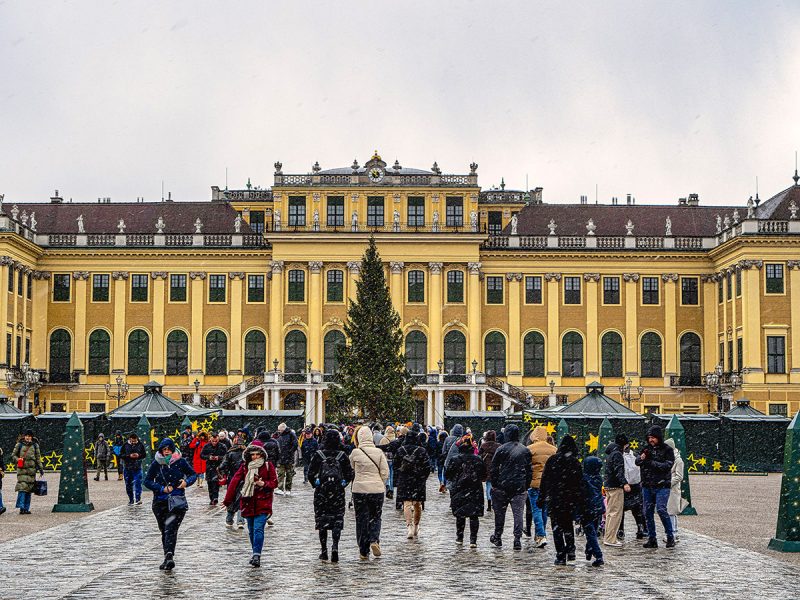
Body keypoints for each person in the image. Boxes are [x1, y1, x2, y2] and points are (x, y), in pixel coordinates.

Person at [143, 438, 197, 571]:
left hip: (176, 502)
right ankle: (167, 555)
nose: (166, 452)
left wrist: (186, 482)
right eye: (164, 449)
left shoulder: (180, 462)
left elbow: (193, 475)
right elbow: (147, 481)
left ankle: (169, 556)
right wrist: (161, 488)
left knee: (170, 528)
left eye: (168, 449)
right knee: (164, 529)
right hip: (160, 501)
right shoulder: (156, 463)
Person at [224, 442, 278, 567]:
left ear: (262, 454)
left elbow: (274, 483)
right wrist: (228, 500)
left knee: (258, 528)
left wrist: (263, 484)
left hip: (263, 501)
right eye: (252, 454)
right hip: (248, 501)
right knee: (251, 530)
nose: (254, 457)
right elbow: (234, 482)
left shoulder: (268, 465)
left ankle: (256, 555)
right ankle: (255, 551)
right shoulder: (245, 466)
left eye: (257, 454)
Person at [308, 430, 354, 562]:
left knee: (322, 521)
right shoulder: (342, 455)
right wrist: (341, 484)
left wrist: (317, 484)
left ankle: (324, 550)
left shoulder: (319, 455)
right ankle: (335, 546)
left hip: (322, 493)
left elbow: (311, 474)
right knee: (337, 521)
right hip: (337, 493)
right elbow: (349, 474)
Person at [538, 435, 583, 565]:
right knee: (568, 525)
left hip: (555, 498)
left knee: (557, 528)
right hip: (569, 499)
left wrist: (541, 497)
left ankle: (560, 554)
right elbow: (580, 483)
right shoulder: (575, 462)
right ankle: (570, 549)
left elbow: (545, 479)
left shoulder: (552, 460)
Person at [489, 424, 532, 550]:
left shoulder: (501, 449)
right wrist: (525, 484)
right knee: (518, 514)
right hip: (519, 486)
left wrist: (495, 483)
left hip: (502, 485)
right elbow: (529, 470)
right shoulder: (524, 450)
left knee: (499, 514)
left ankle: (498, 536)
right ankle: (517, 539)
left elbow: (494, 468)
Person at [349, 425, 389, 560]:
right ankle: (374, 540)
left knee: (361, 519)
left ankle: (363, 550)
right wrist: (379, 482)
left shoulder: (355, 452)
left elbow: (352, 468)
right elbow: (385, 472)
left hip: (359, 490)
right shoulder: (379, 453)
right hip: (376, 490)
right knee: (376, 516)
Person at [636, 425, 676, 549]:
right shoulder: (646, 449)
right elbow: (637, 462)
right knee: (647, 512)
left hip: (662, 485)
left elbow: (667, 465)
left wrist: (651, 463)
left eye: (653, 437)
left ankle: (670, 536)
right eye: (649, 438)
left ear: (658, 437)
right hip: (647, 485)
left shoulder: (667, 450)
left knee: (661, 509)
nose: (651, 440)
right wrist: (642, 458)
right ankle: (652, 538)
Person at [446, 433, 487, 547]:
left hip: (459, 488)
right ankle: (473, 540)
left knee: (460, 515)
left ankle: (460, 537)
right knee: (474, 516)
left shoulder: (455, 459)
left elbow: (448, 475)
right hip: (475, 489)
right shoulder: (478, 459)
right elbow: (484, 475)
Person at [394, 428, 431, 539]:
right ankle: (416, 525)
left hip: (405, 479)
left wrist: (400, 475)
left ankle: (409, 526)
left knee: (407, 503)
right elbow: (427, 467)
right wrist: (423, 477)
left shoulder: (401, 450)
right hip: (418, 479)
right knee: (418, 504)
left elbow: (395, 466)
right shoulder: (421, 450)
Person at [526, 425, 555, 548]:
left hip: (535, 483)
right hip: (549, 484)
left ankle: (541, 535)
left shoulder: (529, 449)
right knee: (544, 509)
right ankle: (540, 534)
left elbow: (527, 467)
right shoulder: (553, 449)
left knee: (536, 509)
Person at [603, 434, 630, 547]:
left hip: (609, 485)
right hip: (615, 486)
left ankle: (608, 536)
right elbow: (619, 470)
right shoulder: (618, 454)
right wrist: (624, 483)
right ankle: (611, 539)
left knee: (610, 513)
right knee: (615, 513)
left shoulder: (611, 454)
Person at [619, 440, 648, 540]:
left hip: (626, 485)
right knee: (637, 509)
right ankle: (640, 527)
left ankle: (621, 529)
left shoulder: (620, 456)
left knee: (621, 509)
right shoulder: (635, 455)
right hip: (634, 484)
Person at [11, 430, 43, 515]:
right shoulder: (19, 444)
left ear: (32, 437)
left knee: (29, 490)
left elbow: (38, 458)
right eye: (26, 436)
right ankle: (21, 508)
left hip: (31, 471)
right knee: (22, 489)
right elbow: (13, 456)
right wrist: (18, 460)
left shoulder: (35, 445)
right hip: (22, 470)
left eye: (29, 436)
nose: (27, 437)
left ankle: (26, 508)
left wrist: (41, 468)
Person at [581, 456, 605, 567]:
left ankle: (598, 555)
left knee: (590, 532)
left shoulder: (584, 478)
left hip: (587, 508)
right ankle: (589, 549)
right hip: (598, 507)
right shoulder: (598, 478)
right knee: (593, 530)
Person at [219, 437, 246, 528]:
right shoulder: (246, 454)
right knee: (241, 498)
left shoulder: (230, 453)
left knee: (231, 497)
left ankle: (229, 519)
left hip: (232, 479)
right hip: (243, 479)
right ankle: (240, 520)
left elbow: (223, 466)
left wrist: (223, 472)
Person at [664, 437, 685, 542]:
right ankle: (669, 532)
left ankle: (674, 532)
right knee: (667, 511)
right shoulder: (666, 458)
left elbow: (679, 476)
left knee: (672, 511)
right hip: (665, 488)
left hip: (672, 489)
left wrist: (668, 482)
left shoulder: (678, 460)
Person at [120, 432, 147, 505]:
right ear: (130, 439)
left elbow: (144, 454)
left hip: (137, 467)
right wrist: (129, 456)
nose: (134, 443)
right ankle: (131, 500)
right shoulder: (125, 445)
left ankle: (138, 499)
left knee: (138, 482)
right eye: (132, 441)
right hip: (128, 467)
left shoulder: (140, 445)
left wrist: (138, 455)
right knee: (128, 484)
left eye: (135, 441)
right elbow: (121, 455)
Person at [200, 432, 227, 505]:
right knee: (210, 483)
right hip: (209, 467)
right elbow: (201, 455)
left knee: (215, 483)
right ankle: (211, 498)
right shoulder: (207, 446)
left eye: (216, 441)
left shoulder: (222, 446)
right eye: (213, 441)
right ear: (210, 440)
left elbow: (226, 456)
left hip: (218, 467)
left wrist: (218, 458)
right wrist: (209, 457)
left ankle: (215, 498)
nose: (214, 442)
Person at [478, 430, 499, 511]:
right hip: (496, 469)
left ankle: (489, 504)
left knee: (488, 486)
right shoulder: (498, 446)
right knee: (495, 486)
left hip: (486, 469)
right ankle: (494, 502)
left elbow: (479, 457)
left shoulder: (484, 446)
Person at [276, 423, 298, 496]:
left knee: (289, 474)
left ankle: (288, 489)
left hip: (288, 458)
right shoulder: (280, 435)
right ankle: (280, 488)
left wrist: (290, 452)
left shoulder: (291, 434)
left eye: (280, 430)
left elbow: (295, 444)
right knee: (280, 474)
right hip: (281, 458)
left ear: (283, 429)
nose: (279, 431)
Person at [378, 425, 396, 499]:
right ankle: (391, 489)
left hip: (385, 459)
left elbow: (381, 449)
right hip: (393, 459)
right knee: (392, 474)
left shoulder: (383, 439)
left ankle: (387, 486)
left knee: (386, 474)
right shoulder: (395, 439)